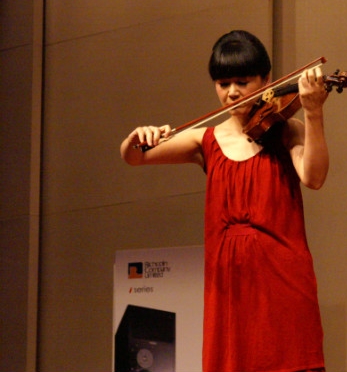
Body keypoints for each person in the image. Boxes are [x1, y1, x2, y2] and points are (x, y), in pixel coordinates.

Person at [120, 30, 329, 372]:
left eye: (243, 82)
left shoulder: (286, 129)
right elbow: (134, 157)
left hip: (282, 279)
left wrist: (314, 113)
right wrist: (136, 138)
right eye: (223, 83)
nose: (232, 92)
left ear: (266, 80)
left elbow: (314, 177)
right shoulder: (205, 140)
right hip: (228, 286)